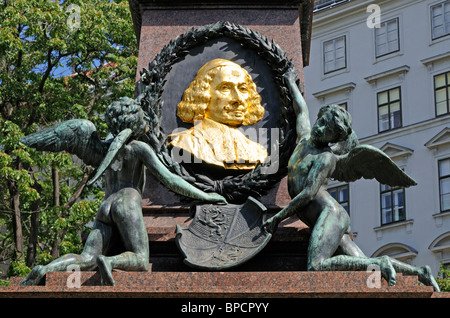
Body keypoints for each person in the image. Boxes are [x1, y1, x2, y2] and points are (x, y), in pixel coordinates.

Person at [20, 97, 226, 286]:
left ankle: (46, 268)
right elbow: (170, 180)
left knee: (87, 258)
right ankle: (110, 261)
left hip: (106, 205)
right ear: (135, 120)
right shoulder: (138, 148)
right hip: (127, 204)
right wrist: (205, 195)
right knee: (141, 259)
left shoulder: (103, 148)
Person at [264, 71, 440, 291]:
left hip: (331, 216)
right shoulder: (304, 137)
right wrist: (290, 82)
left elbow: (309, 193)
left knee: (316, 267)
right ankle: (419, 272)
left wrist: (278, 218)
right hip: (328, 217)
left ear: (333, 140)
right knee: (363, 268)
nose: (320, 128)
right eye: (321, 122)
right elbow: (301, 109)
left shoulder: (326, 158)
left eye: (327, 130)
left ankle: (380, 262)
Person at [170, 59, 268, 170]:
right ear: (202, 94)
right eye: (225, 88)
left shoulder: (257, 151)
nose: (238, 99)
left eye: (243, 89)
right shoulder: (186, 143)